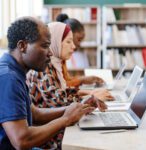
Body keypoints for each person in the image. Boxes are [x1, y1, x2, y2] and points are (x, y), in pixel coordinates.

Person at [0, 17, 96, 150]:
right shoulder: (8, 78)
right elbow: (21, 140)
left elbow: (35, 115)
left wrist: (77, 108)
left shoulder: (15, 72)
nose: (50, 52)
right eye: (45, 46)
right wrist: (65, 119)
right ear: (22, 46)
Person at [27, 22, 113, 148]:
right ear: (54, 42)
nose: (73, 46)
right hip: (48, 137)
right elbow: (59, 102)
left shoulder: (55, 64)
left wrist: (89, 98)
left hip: (55, 129)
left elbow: (64, 92)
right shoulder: (43, 67)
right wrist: (88, 98)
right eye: (68, 42)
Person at [56, 13, 105, 87]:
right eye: (78, 39)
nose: (79, 44)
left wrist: (83, 79)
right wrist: (82, 80)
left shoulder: (63, 57)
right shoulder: (54, 59)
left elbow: (66, 80)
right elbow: (62, 86)